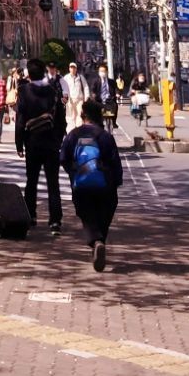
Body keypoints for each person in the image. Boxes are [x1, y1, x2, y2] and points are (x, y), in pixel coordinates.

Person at [60, 98, 123, 270]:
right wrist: (116, 181)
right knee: (106, 210)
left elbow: (64, 158)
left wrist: (74, 174)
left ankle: (95, 241)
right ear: (99, 117)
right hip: (105, 186)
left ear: (82, 115)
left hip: (82, 185)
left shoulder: (74, 135)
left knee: (86, 213)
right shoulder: (105, 137)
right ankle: (100, 240)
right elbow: (115, 163)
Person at [14, 57, 66, 234]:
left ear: (29, 73)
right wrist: (58, 139)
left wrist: (19, 143)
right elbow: (61, 118)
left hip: (32, 142)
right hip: (51, 143)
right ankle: (55, 221)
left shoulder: (24, 91)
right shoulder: (53, 91)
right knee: (53, 182)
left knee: (31, 181)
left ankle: (31, 216)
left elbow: (20, 120)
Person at [90, 64, 119, 132]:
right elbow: (92, 89)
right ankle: (98, 124)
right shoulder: (96, 81)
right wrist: (93, 94)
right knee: (96, 111)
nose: (102, 72)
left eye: (104, 71)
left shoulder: (111, 81)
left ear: (107, 72)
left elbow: (116, 89)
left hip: (109, 99)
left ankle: (114, 122)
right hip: (99, 99)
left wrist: (118, 93)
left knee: (115, 105)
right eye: (101, 71)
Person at [62, 61, 87, 130]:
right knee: (71, 116)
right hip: (70, 100)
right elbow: (63, 88)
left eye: (74, 68)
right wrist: (65, 98)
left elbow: (85, 87)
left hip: (79, 99)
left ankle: (79, 129)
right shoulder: (66, 78)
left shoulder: (81, 77)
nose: (72, 69)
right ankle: (71, 130)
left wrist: (86, 98)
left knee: (79, 114)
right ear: (69, 69)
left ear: (76, 69)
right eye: (71, 68)